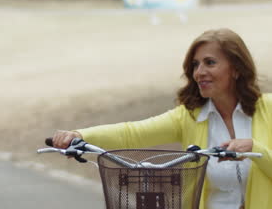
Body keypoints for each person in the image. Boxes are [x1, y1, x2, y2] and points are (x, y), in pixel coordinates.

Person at [52, 28, 272, 209]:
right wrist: (80, 135)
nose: (199, 72)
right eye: (195, 65)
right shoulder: (188, 116)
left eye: (210, 62)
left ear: (236, 69)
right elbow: (132, 133)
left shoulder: (268, 109)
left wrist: (255, 150)